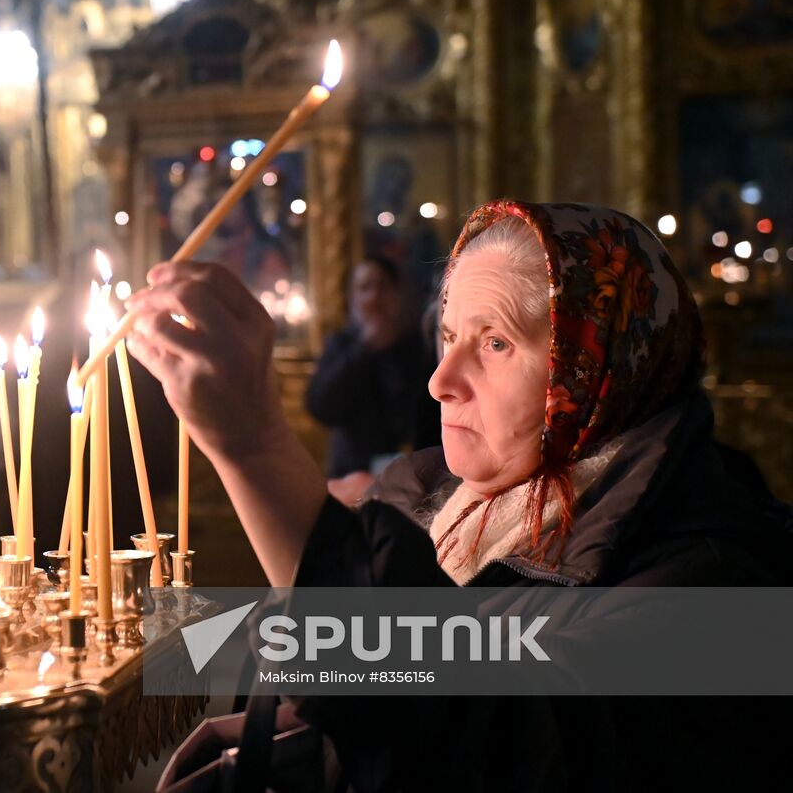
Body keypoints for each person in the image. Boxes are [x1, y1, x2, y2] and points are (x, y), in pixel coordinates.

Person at [127, 200, 793, 791]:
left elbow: (502, 739)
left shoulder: (718, 579)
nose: (441, 380)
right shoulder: (422, 504)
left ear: (598, 367)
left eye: (496, 342)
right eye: (448, 337)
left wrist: (255, 444)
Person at [304, 255, 438, 506]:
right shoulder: (341, 345)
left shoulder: (419, 348)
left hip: (414, 481)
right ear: (353, 297)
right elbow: (320, 406)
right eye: (365, 288)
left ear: (397, 295)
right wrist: (363, 350)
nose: (374, 297)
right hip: (351, 479)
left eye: (383, 287)